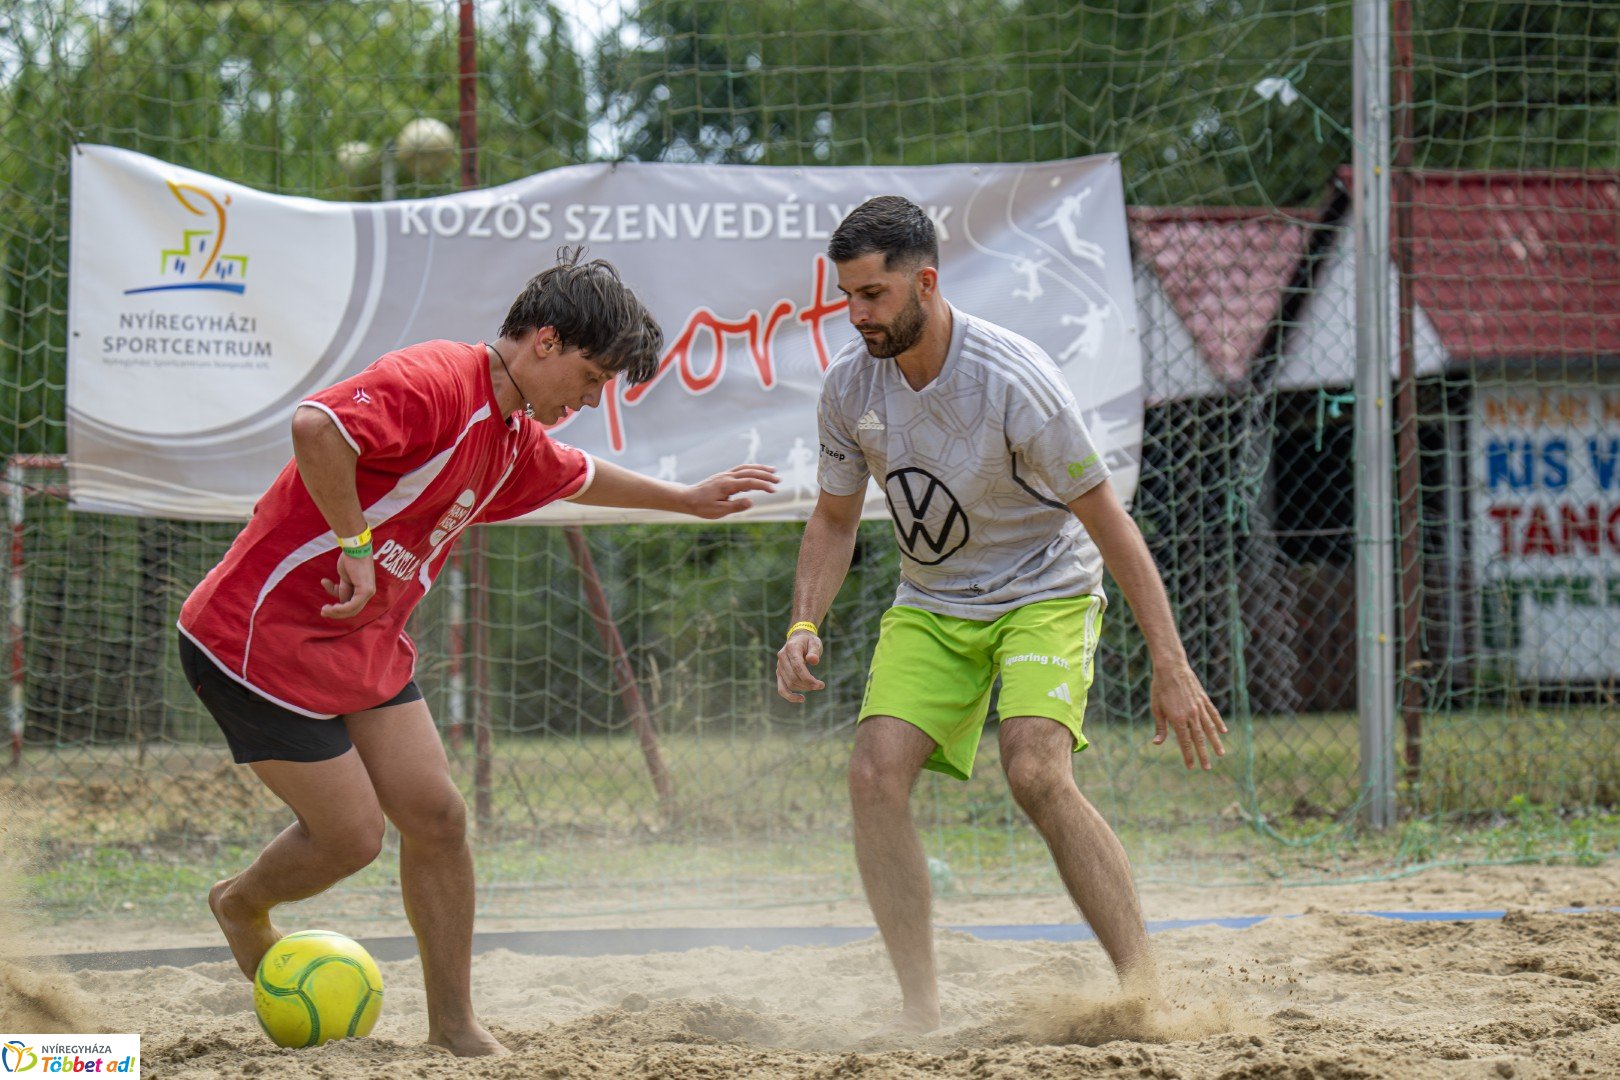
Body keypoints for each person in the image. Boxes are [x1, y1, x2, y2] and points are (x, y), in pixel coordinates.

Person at [180, 250, 777, 1057]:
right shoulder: (436, 380)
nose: (590, 399)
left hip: (360, 642)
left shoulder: (510, 435)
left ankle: (454, 1027)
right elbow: (316, 427)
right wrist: (355, 541)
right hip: (257, 640)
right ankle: (241, 905)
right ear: (544, 340)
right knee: (352, 838)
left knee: (438, 817)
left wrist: (682, 498)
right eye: (592, 377)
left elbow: (579, 474)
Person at [774, 196, 1225, 1035]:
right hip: (934, 599)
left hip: (1043, 590)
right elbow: (834, 521)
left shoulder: (1013, 379)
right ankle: (920, 1008)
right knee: (872, 777)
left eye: (873, 295)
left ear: (926, 283)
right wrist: (804, 622)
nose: (857, 314)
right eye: (847, 296)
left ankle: (1144, 988)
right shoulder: (849, 387)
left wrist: (1171, 662)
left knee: (1034, 771)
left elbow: (1109, 522)